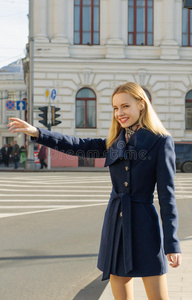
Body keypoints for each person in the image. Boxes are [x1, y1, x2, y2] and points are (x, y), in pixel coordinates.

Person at [7, 82, 181, 300]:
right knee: (118, 284)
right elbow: (76, 144)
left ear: (142, 105)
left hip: (145, 224)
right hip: (116, 223)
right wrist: (37, 132)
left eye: (125, 106)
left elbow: (167, 196)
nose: (120, 113)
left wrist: (172, 244)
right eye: (116, 108)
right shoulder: (114, 141)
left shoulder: (161, 141)